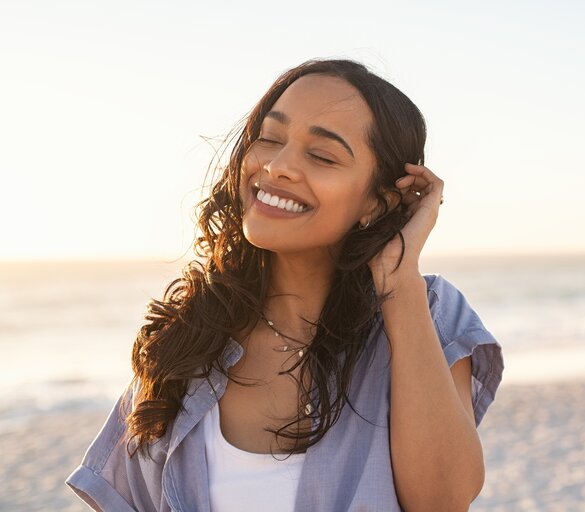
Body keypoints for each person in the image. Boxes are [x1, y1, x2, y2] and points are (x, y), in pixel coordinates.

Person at [65, 58, 504, 512]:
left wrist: (399, 283)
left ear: (377, 200)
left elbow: (443, 500)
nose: (277, 166)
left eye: (321, 156)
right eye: (270, 139)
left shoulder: (427, 312)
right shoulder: (185, 341)